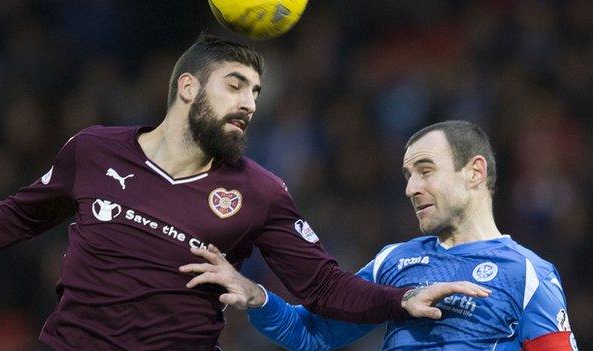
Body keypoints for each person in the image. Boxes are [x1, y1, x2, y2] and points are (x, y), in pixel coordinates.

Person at [0, 35, 489, 351]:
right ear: (189, 87)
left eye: (256, 92)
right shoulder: (94, 150)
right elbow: (13, 219)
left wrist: (401, 300)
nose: (250, 103)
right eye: (235, 85)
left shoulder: (260, 192)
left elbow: (325, 289)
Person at [183, 120, 579, 350]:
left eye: (425, 170)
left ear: (474, 172)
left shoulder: (527, 275)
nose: (411, 188)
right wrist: (256, 297)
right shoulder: (395, 261)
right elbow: (313, 335)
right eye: (408, 176)